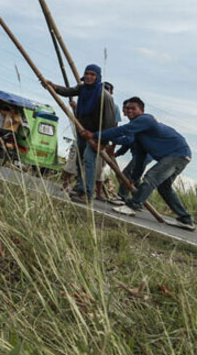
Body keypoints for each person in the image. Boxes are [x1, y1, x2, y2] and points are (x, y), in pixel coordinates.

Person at [86, 97, 195, 231]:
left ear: (141, 111)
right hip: (180, 155)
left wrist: (96, 135)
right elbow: (140, 157)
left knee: (151, 178)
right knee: (164, 188)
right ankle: (185, 219)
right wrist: (135, 176)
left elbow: (122, 131)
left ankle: (133, 206)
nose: (130, 111)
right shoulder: (139, 136)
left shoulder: (146, 119)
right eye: (128, 109)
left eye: (133, 108)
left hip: (177, 154)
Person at [44, 64, 116, 204]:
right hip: (82, 131)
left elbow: (109, 122)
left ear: (98, 77)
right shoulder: (82, 88)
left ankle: (88, 194)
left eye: (92, 75)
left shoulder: (104, 96)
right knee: (79, 161)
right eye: (87, 74)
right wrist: (53, 87)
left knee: (89, 161)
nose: (88, 77)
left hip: (96, 136)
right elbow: (67, 91)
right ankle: (80, 188)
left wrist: (102, 142)